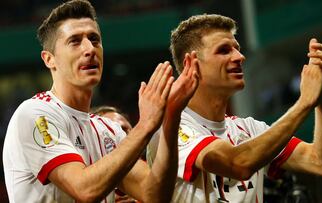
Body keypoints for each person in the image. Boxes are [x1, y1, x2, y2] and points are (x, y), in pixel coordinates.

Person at [2, 0, 199, 202]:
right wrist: (146, 124)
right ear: (49, 59)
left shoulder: (109, 130)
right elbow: (84, 189)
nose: (89, 49)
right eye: (75, 41)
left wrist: (171, 117)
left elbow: (154, 195)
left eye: (94, 39)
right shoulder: (35, 114)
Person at [147, 14, 322, 202]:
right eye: (224, 50)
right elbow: (237, 163)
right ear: (191, 64)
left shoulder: (249, 129)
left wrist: (320, 96)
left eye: (237, 48)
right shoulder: (170, 130)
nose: (240, 57)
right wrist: (304, 103)